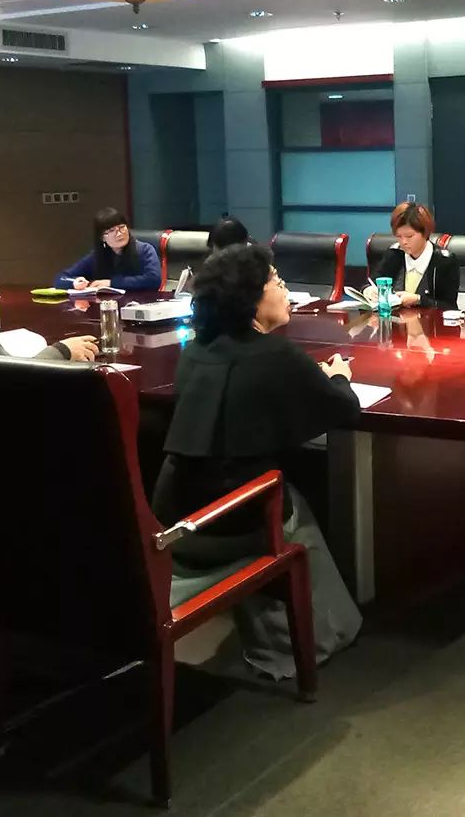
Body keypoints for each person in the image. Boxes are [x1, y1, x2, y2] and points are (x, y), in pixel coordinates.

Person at [155, 243, 362, 678]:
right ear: (249, 297)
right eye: (275, 281)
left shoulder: (195, 350)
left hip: (176, 518)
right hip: (232, 523)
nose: (284, 288)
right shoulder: (275, 355)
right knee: (293, 502)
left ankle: (294, 630)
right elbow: (343, 408)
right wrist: (340, 376)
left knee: (280, 487)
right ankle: (307, 641)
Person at [370, 202, 460, 309]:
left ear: (425, 233)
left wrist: (419, 300)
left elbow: (449, 306)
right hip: (396, 318)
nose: (403, 242)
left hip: (429, 319)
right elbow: (372, 282)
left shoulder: (444, 261)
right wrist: (368, 290)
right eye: (399, 236)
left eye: (409, 236)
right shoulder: (394, 253)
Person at [56, 207, 161, 291]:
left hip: (140, 305)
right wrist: (74, 282)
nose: (119, 234)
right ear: (102, 237)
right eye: (111, 230)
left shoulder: (145, 250)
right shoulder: (97, 256)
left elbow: (153, 280)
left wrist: (111, 283)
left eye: (122, 227)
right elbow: (60, 278)